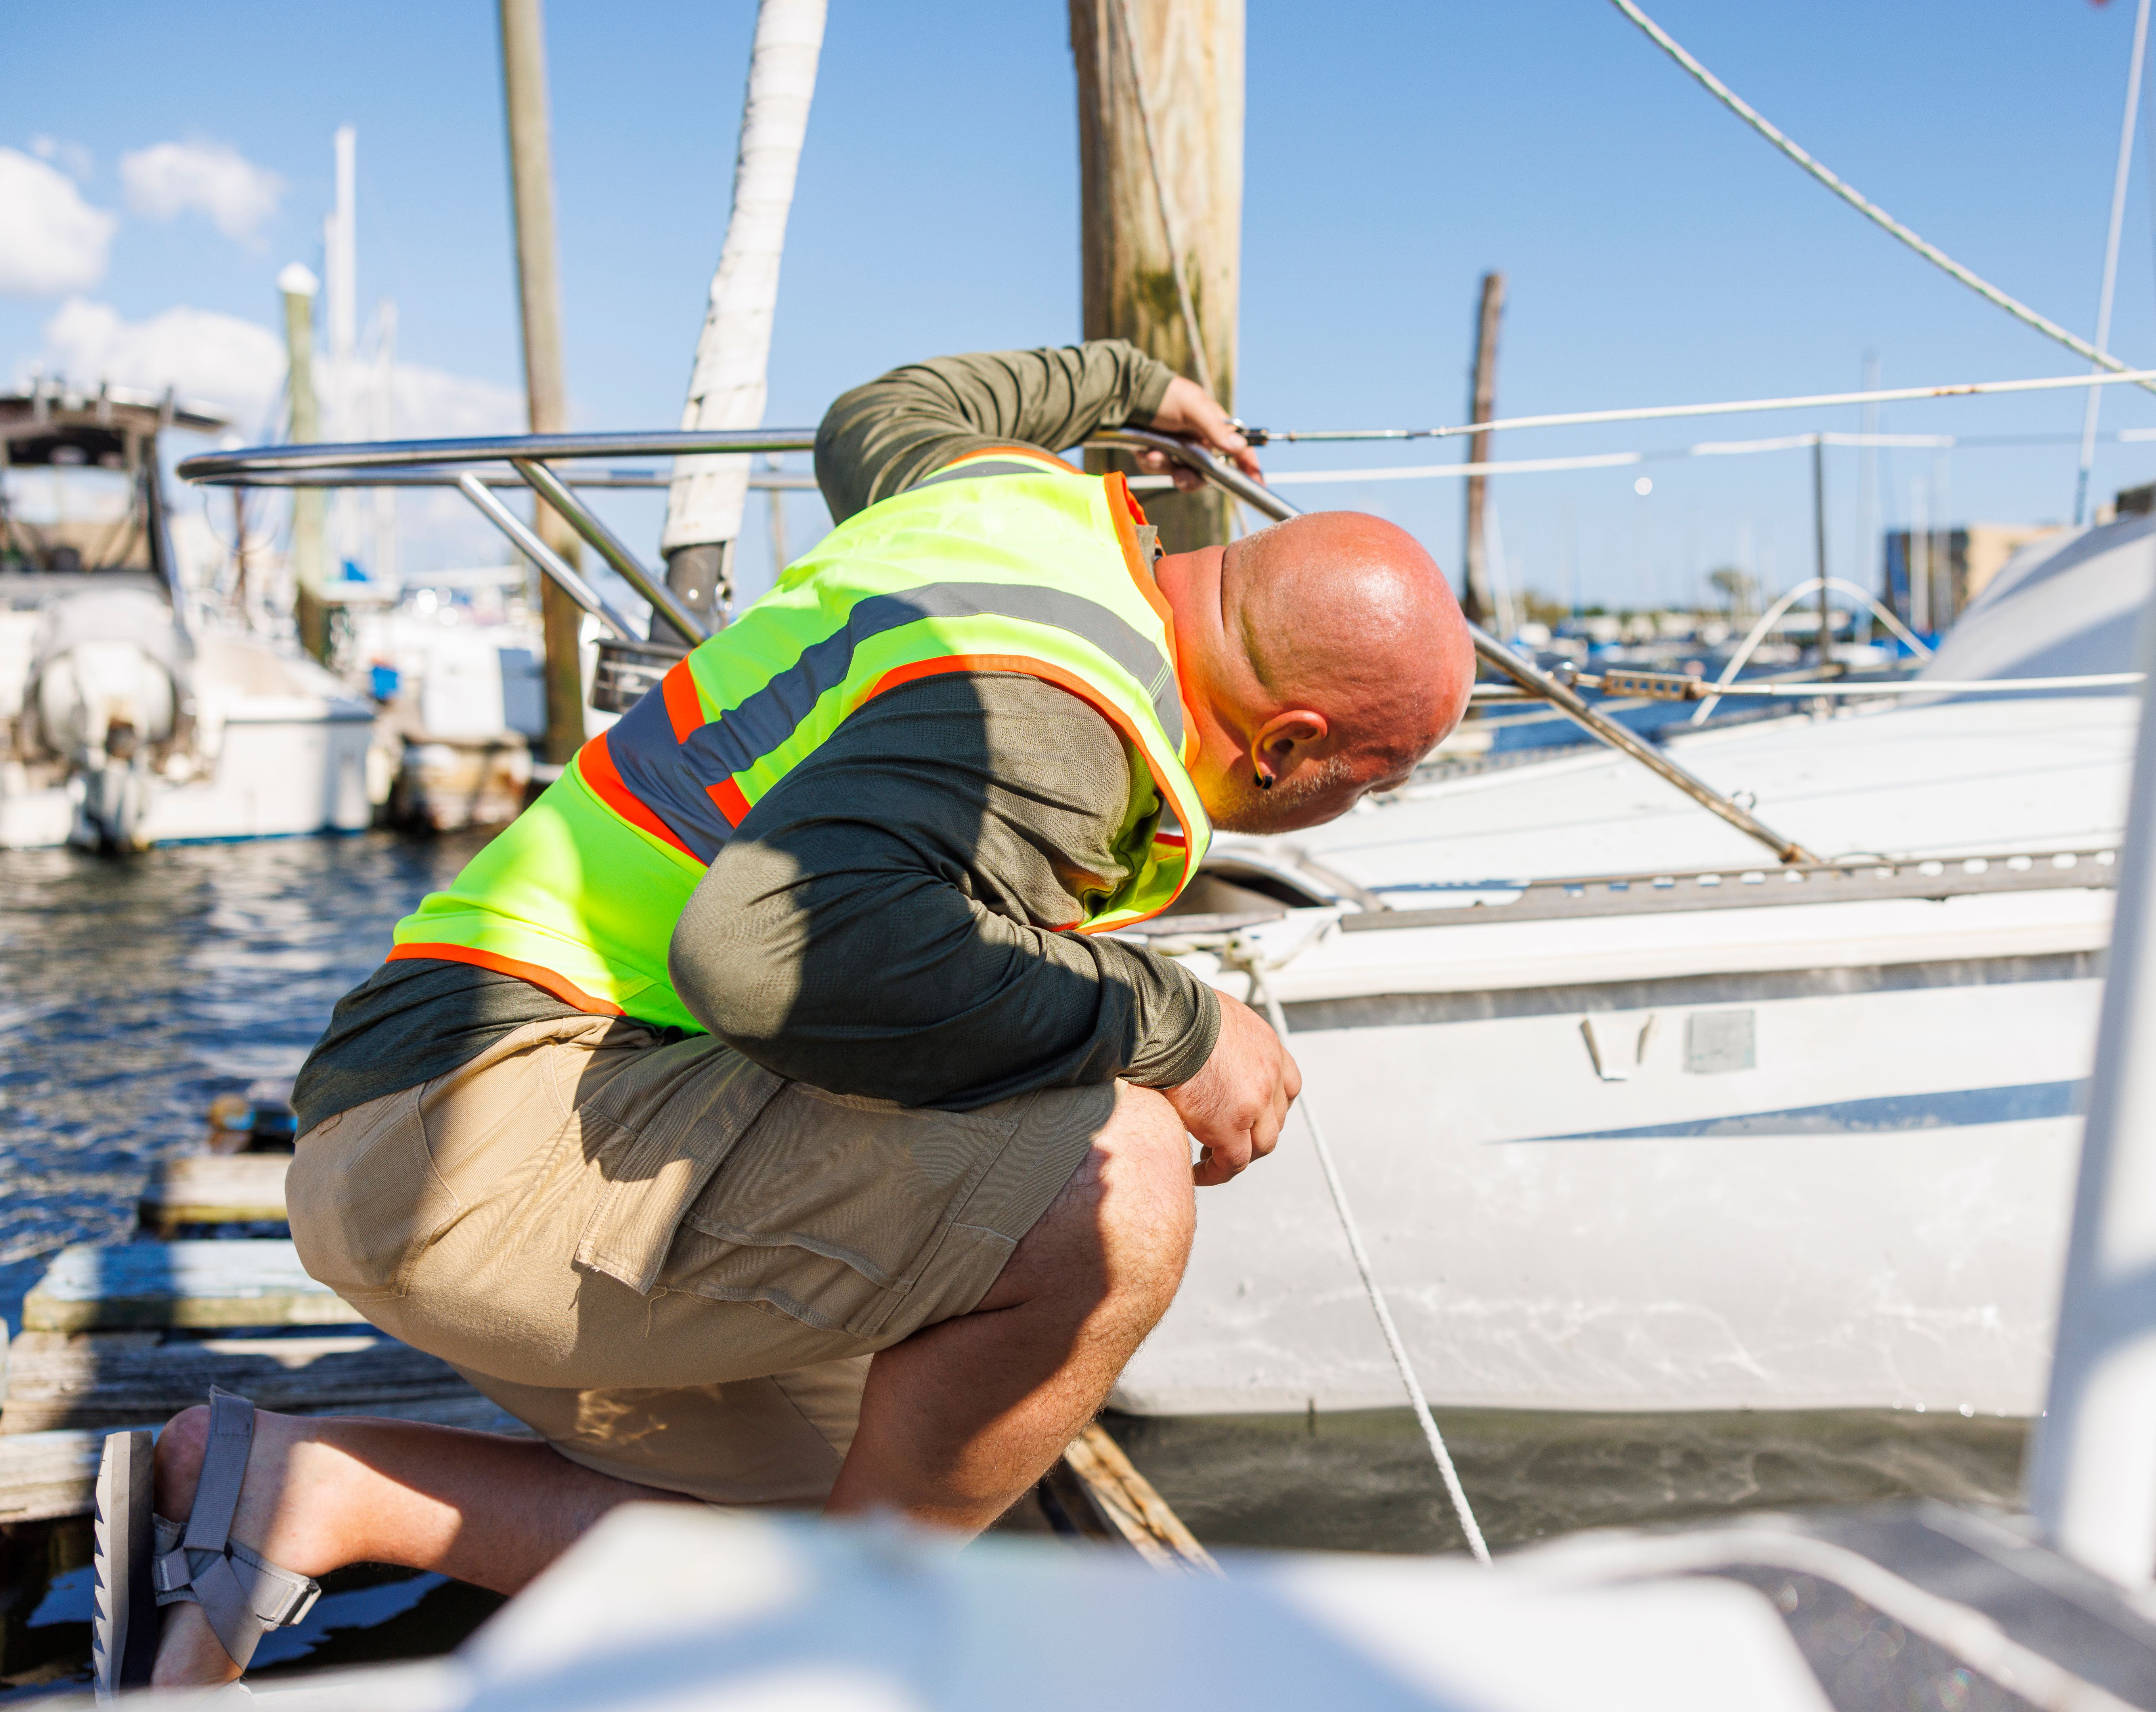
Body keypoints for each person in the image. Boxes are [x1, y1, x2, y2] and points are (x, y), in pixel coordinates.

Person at [116, 342, 1477, 1689]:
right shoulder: (1055, 732)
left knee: (877, 1504)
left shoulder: (1016, 509)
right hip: (480, 1132)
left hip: (428, 1105)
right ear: (1291, 745)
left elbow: (885, 412)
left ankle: (320, 1494)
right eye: (1376, 778)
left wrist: (1129, 382)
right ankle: (846, 1659)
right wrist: (1176, 1025)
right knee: (1115, 1190)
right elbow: (764, 953)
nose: (1358, 800)